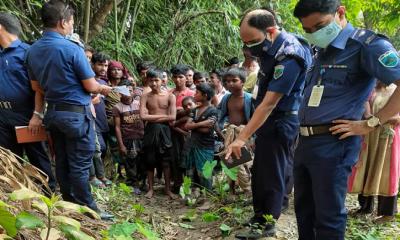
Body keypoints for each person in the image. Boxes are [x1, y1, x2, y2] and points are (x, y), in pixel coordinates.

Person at [292, 0, 400, 239]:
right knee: (304, 211)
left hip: (333, 142)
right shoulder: (322, 49)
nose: (314, 34)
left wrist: (370, 123)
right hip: (304, 142)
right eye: (308, 30)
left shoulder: (368, 45)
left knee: (328, 215)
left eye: (319, 26)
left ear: (340, 12)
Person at [225, 8, 312, 238]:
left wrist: (242, 137)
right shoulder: (269, 46)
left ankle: (267, 222)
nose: (250, 47)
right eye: (245, 42)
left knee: (271, 171)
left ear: (271, 31)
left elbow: (270, 103)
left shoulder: (289, 55)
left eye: (252, 41)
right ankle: (261, 214)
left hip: (280, 118)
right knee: (266, 169)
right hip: (268, 119)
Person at [25, 0, 113, 219]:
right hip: (75, 114)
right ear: (63, 22)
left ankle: (68, 205)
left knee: (62, 161)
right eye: (72, 21)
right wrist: (105, 88)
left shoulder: (32, 50)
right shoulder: (71, 48)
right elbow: (91, 85)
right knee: (80, 164)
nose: (73, 25)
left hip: (52, 114)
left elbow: (36, 88)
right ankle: (89, 210)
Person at [0, 12, 56, 193]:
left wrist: (37, 114)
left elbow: (39, 87)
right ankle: (17, 193)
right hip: (2, 116)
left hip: (26, 115)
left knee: (37, 156)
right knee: (9, 156)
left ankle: (48, 192)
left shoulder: (27, 52)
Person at [348, 82, 400, 223]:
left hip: (388, 137)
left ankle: (388, 213)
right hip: (369, 135)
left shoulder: (396, 90)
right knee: (366, 167)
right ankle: (365, 207)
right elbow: (364, 106)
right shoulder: (371, 89)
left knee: (386, 172)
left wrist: (378, 120)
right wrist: (368, 116)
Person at [140, 68, 177, 199]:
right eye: (151, 80)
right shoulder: (145, 96)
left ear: (162, 81)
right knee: (150, 160)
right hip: (151, 130)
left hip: (165, 130)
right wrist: (162, 117)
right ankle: (151, 189)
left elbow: (173, 117)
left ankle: (167, 189)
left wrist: (152, 116)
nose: (154, 83)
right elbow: (143, 116)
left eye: (156, 80)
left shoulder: (170, 96)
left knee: (166, 161)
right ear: (147, 81)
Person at [218, 67, 254, 194]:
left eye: (234, 80)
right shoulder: (226, 98)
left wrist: (253, 137)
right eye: (227, 81)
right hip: (230, 132)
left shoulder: (249, 98)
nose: (230, 84)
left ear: (243, 82)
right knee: (230, 160)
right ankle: (232, 188)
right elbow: (221, 115)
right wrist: (221, 130)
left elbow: (254, 117)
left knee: (245, 161)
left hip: (244, 134)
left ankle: (247, 188)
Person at [184, 83, 219, 190]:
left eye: (197, 93)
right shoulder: (195, 110)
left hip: (205, 146)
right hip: (193, 145)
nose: (195, 94)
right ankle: (193, 196)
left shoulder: (212, 111)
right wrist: (201, 123)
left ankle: (207, 199)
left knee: (205, 173)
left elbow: (207, 130)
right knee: (190, 171)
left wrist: (193, 126)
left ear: (205, 96)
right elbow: (186, 126)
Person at [114, 79, 145, 193]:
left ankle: (143, 182)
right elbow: (117, 127)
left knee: (142, 161)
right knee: (130, 162)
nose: (128, 94)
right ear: (120, 93)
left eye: (130, 91)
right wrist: (121, 144)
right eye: (124, 92)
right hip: (128, 138)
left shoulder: (139, 103)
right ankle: (134, 183)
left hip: (141, 137)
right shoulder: (117, 107)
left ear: (133, 91)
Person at [169, 64, 195, 192]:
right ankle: (177, 184)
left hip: (188, 131)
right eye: (175, 77)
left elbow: (193, 113)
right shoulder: (169, 93)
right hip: (173, 131)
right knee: (174, 157)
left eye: (181, 77)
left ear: (186, 78)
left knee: (188, 158)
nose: (178, 80)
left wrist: (177, 111)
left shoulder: (192, 94)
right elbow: (167, 113)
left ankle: (189, 185)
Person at [89, 52, 111, 187]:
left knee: (100, 148)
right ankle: (94, 177)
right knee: (97, 148)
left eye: (106, 65)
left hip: (102, 121)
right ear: (92, 64)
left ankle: (100, 176)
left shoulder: (103, 82)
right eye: (100, 65)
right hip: (91, 120)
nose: (103, 68)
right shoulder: (89, 80)